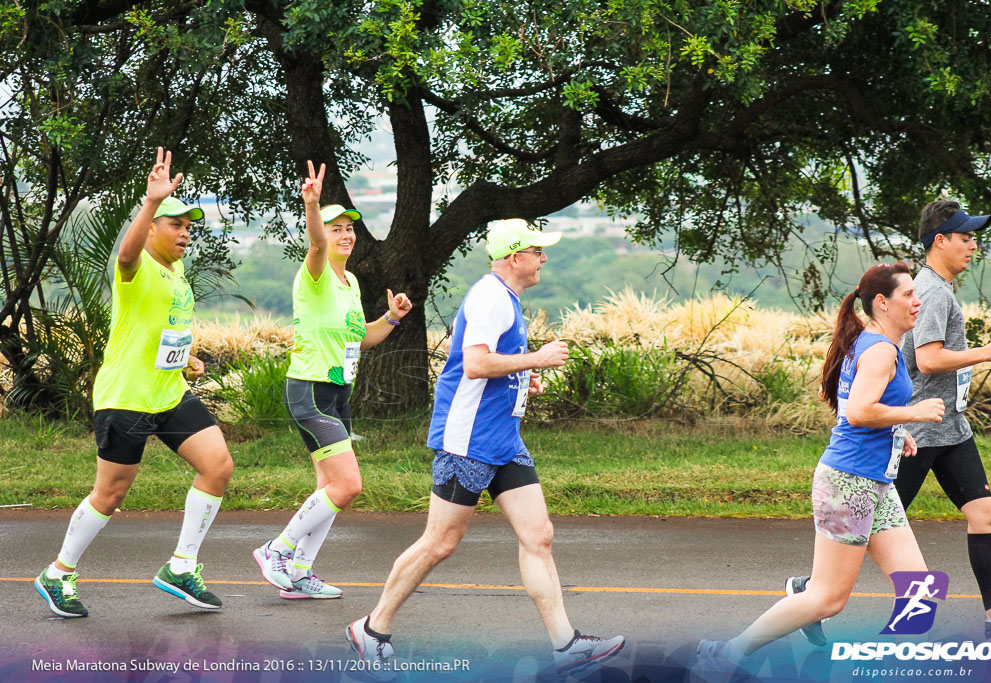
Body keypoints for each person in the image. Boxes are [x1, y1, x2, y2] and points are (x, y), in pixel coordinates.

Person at [345, 219, 624, 677]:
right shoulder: (491, 297)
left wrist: (520, 379)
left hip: (503, 439)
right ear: (516, 257)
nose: (544, 258)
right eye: (538, 250)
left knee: (539, 536)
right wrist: (537, 359)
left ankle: (566, 645)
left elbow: (489, 363)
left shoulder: (505, 298)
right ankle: (372, 630)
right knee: (440, 542)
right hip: (468, 441)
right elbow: (474, 364)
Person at [693, 262, 945, 672]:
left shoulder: (871, 342)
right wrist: (912, 413)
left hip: (874, 484)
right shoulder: (880, 349)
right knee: (827, 598)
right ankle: (725, 654)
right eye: (909, 296)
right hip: (849, 484)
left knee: (920, 590)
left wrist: (898, 429)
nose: (918, 302)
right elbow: (861, 412)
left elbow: (853, 411)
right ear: (882, 303)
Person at [34, 148, 234, 617]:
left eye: (189, 226)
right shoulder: (136, 266)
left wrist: (187, 358)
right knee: (112, 493)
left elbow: (162, 327)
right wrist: (150, 202)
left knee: (218, 466)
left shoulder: (175, 270)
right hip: (125, 396)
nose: (185, 233)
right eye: (175, 224)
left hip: (167, 392)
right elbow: (125, 253)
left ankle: (181, 567)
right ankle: (58, 572)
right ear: (153, 230)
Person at [252, 161, 412, 599]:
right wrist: (312, 205)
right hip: (310, 390)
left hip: (339, 393)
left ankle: (300, 573)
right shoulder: (316, 274)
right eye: (336, 228)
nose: (345, 235)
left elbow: (361, 340)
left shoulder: (351, 282)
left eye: (350, 229)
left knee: (330, 488)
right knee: (348, 485)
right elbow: (316, 245)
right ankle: (276, 550)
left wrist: (392, 319)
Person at [894, 200, 991, 638]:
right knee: (874, 528)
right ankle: (812, 591)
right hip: (917, 431)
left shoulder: (939, 288)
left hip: (949, 428)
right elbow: (928, 361)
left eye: (974, 237)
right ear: (940, 241)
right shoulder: (929, 292)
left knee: (985, 512)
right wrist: (985, 352)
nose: (973, 245)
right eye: (965, 237)